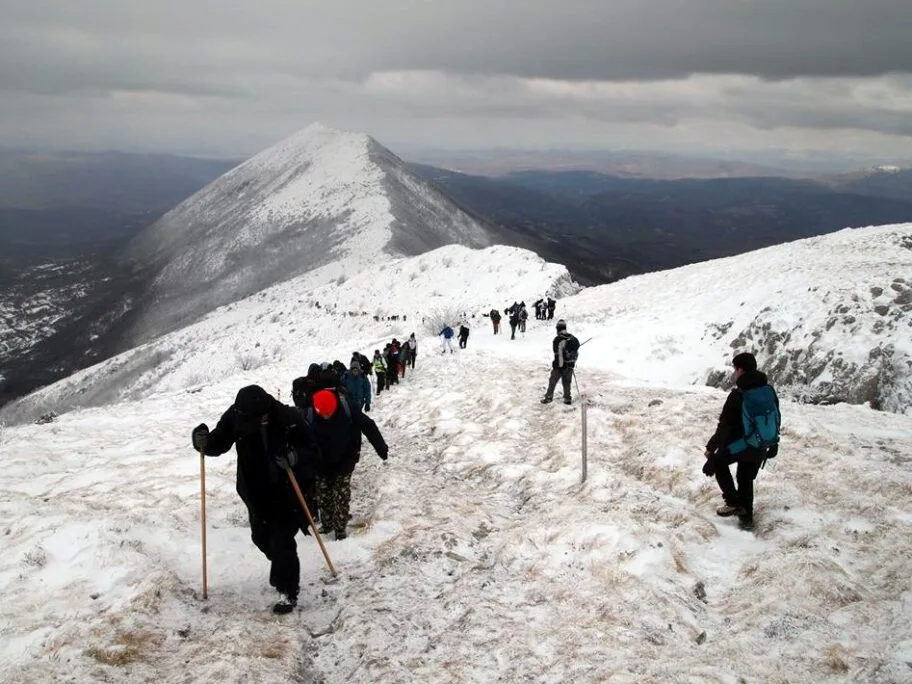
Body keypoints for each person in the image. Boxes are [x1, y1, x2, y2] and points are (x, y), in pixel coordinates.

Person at [191, 385, 318, 615]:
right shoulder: (237, 414)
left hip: (286, 490)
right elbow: (219, 441)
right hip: (255, 491)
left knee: (282, 542)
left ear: (263, 415)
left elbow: (313, 448)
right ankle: (282, 566)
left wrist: (294, 456)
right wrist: (203, 442)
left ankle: (288, 590)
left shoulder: (286, 418)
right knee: (261, 538)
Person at [703, 352, 779, 532]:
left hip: (742, 444)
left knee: (719, 462)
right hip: (761, 443)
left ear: (740, 370)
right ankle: (746, 521)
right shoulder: (768, 390)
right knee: (745, 479)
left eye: (735, 369)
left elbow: (725, 426)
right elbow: (774, 418)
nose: (734, 373)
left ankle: (733, 502)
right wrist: (774, 443)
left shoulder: (738, 395)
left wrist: (711, 449)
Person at [305, 388, 389, 540]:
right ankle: (328, 523)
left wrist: (381, 447)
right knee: (323, 495)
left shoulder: (348, 408)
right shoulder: (310, 414)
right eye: (322, 414)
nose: (325, 416)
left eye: (328, 413)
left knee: (341, 494)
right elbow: (301, 437)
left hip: (345, 458)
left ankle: (340, 528)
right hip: (322, 461)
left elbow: (368, 425)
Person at [541, 319, 579, 405]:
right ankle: (567, 398)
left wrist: (559, 365)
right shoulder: (572, 338)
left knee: (552, 381)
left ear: (558, 329)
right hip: (570, 365)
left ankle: (548, 397)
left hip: (559, 366)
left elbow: (557, 353)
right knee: (567, 382)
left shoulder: (557, 339)